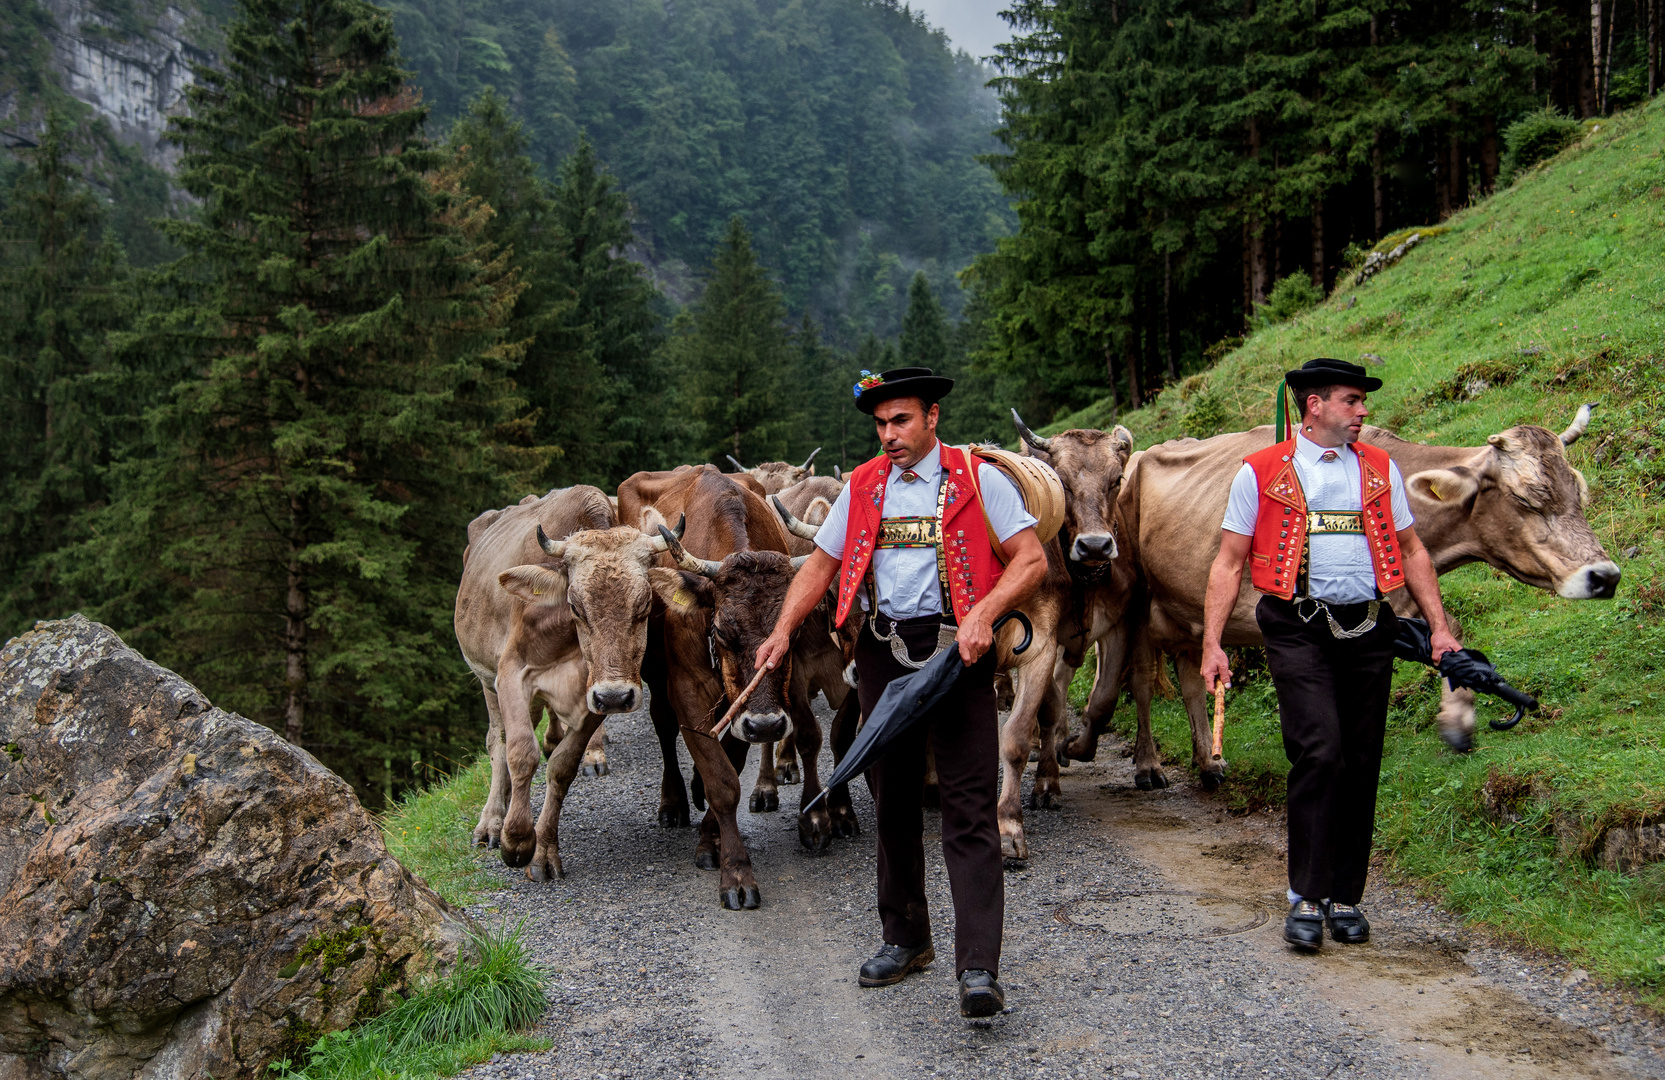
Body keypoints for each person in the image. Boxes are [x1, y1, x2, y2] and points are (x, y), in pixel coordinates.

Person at [755, 366, 1047, 1017]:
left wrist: (983, 613)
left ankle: (977, 967)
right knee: (889, 803)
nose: (888, 435)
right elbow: (823, 566)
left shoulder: (979, 481)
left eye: (901, 421)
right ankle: (906, 939)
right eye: (880, 424)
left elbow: (1030, 560)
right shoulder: (862, 487)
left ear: (931, 419)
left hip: (958, 656)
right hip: (882, 653)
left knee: (969, 808)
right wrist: (780, 632)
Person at [1198, 358, 1460, 951]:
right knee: (1321, 751)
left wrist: (1439, 628)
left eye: (1362, 401)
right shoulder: (1261, 471)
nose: (1363, 411)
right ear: (1314, 405)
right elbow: (1228, 562)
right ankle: (1307, 896)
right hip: (1296, 626)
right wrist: (1212, 643)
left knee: (1362, 758)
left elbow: (1412, 550)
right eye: (1351, 400)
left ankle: (1346, 896)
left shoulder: (1379, 468)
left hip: (1370, 626)